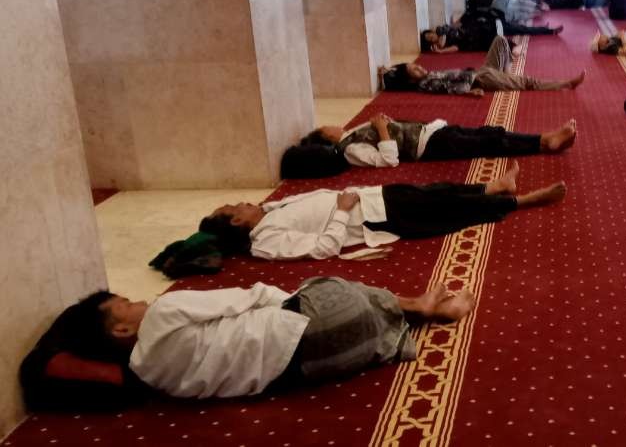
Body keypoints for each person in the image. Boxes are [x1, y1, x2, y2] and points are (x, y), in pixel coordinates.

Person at [71, 277, 477, 398]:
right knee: (327, 284)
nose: (140, 299)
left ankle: (409, 320)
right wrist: (300, 297)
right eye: (126, 303)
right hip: (322, 324)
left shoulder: (149, 377)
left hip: (318, 367)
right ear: (121, 328)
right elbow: (248, 297)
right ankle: (420, 307)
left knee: (341, 311)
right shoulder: (162, 312)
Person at [200, 161, 566, 260]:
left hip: (373, 195)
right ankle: (521, 201)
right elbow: (323, 249)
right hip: (374, 216)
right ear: (236, 221)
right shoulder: (265, 242)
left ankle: (497, 187)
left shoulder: (267, 211)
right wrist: (343, 210)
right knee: (451, 211)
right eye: (237, 206)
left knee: (440, 191)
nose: (245, 202)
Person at [280, 115, 577, 177]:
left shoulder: (352, 132)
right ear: (327, 137)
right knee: (491, 142)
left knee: (491, 132)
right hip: (428, 146)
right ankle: (544, 142)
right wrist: (383, 128)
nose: (332, 124)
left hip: (432, 132)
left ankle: (543, 138)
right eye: (326, 127)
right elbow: (388, 160)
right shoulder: (350, 149)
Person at [382, 35, 586, 96]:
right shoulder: (426, 84)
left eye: (415, 66)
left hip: (481, 70)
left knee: (500, 41)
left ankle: (506, 75)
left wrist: (387, 71)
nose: (420, 67)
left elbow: (395, 75)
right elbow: (448, 88)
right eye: (415, 70)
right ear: (410, 80)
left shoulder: (424, 77)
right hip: (481, 79)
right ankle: (566, 84)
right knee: (527, 82)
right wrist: (471, 92)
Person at [420, 8, 562, 54]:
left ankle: (547, 30)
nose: (432, 37)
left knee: (521, 28)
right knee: (516, 31)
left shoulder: (441, 29)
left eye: (430, 34)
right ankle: (547, 31)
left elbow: (460, 22)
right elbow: (456, 47)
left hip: (485, 28)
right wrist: (441, 51)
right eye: (429, 39)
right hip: (477, 39)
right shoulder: (442, 45)